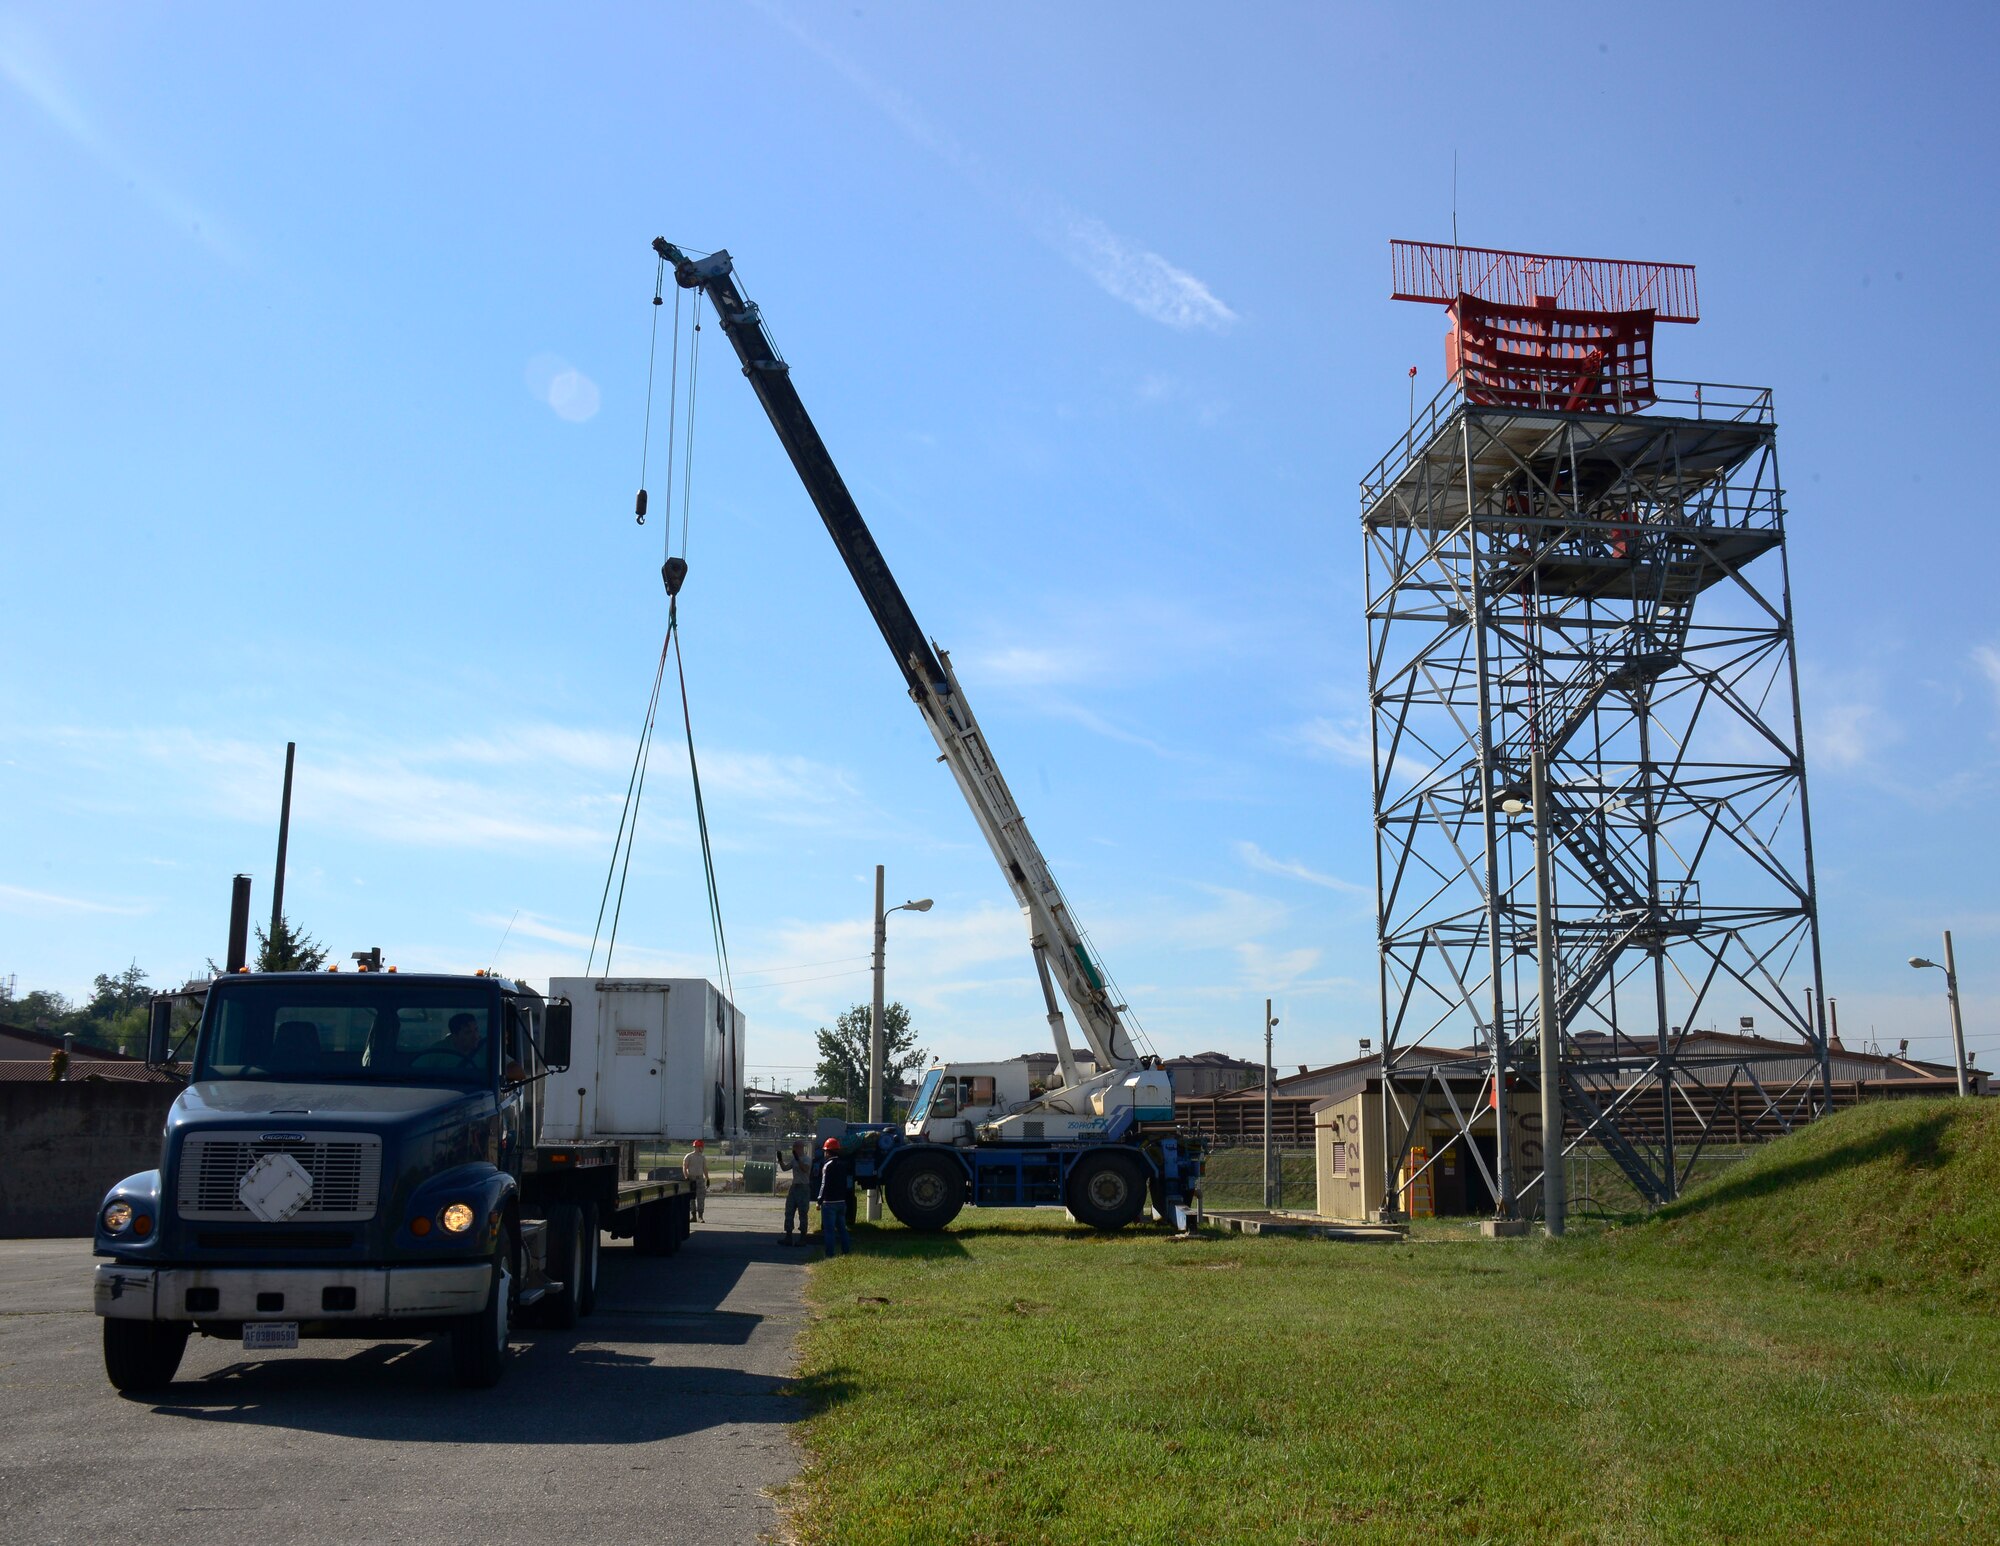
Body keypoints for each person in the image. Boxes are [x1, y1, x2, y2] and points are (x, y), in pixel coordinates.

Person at [816, 1136, 854, 1258]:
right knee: (842, 1229)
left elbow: (824, 1184)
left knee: (829, 1231)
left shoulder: (827, 1166)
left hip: (829, 1203)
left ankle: (830, 1254)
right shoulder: (843, 1165)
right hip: (841, 1202)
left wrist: (819, 1200)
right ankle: (846, 1251)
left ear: (828, 1151)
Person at [777, 1138, 812, 1245]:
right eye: (794, 1147)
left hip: (803, 1188)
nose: (794, 1149)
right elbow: (785, 1168)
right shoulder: (794, 1160)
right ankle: (788, 1236)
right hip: (794, 1187)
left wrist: (798, 1159)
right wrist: (780, 1160)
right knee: (789, 1211)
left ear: (801, 1148)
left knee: (802, 1212)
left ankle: (802, 1238)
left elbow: (805, 1169)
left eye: (796, 1147)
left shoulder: (806, 1159)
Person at [682, 1138, 709, 1222]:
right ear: (698, 1147)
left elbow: (704, 1168)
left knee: (701, 1198)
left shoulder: (702, 1157)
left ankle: (700, 1216)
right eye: (702, 1147)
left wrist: (707, 1178)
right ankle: (693, 1216)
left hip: (700, 1179)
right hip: (691, 1179)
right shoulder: (689, 1156)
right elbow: (684, 1167)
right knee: (692, 1199)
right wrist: (686, 1176)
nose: (702, 1149)